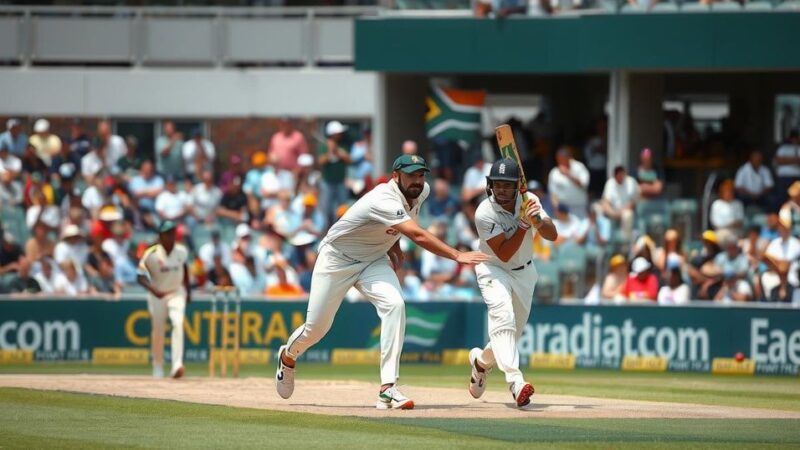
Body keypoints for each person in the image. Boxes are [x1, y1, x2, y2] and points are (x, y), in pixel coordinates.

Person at [275, 155, 489, 409]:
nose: (417, 181)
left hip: (373, 260)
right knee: (316, 328)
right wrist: (456, 254)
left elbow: (402, 222)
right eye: (411, 175)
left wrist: (393, 243)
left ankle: (388, 388)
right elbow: (418, 235)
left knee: (395, 305)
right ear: (396, 175)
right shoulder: (383, 197)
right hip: (337, 259)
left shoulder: (422, 191)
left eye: (421, 174)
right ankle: (288, 356)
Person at [467, 158, 557, 408]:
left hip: (525, 272)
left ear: (517, 185)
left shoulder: (529, 202)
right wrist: (524, 224)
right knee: (502, 319)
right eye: (497, 184)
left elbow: (552, 234)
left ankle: (481, 364)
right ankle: (516, 383)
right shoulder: (484, 212)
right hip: (492, 268)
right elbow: (504, 253)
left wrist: (537, 219)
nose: (502, 190)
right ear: (490, 185)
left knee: (508, 336)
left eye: (507, 185)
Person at [137, 221, 191, 379]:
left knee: (178, 323)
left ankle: (177, 364)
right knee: (158, 332)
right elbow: (139, 277)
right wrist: (155, 291)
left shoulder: (181, 251)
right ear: (160, 236)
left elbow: (185, 269)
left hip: (176, 292)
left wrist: (188, 291)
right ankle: (158, 366)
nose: (171, 236)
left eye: (173, 233)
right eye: (168, 233)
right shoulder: (151, 254)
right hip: (157, 296)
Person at [547, 147, 590, 218]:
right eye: (558, 159)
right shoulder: (554, 173)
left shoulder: (579, 167)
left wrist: (568, 174)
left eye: (562, 159)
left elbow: (584, 184)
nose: (560, 162)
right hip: (564, 209)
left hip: (579, 207)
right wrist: (557, 209)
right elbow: (553, 194)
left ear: (569, 158)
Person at [600, 165, 639, 243]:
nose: (620, 177)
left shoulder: (631, 182)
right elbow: (605, 202)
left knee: (627, 215)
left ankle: (625, 242)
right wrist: (613, 213)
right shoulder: (610, 183)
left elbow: (634, 202)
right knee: (598, 210)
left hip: (626, 210)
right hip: (613, 211)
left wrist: (622, 211)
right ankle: (605, 241)